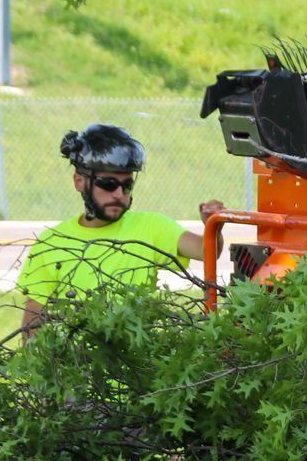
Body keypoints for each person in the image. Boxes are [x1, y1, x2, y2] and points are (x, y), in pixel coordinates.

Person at [17, 124, 226, 336]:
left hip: (137, 362)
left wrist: (213, 226)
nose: (118, 194)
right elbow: (33, 326)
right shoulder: (51, 243)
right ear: (79, 181)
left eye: (127, 186)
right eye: (108, 184)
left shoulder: (152, 226)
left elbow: (206, 251)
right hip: (77, 363)